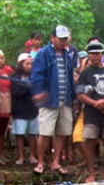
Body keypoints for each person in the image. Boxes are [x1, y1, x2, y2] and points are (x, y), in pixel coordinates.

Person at [30, 24, 77, 175]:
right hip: (49, 100)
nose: (63, 42)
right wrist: (38, 91)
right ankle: (40, 163)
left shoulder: (67, 55)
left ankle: (56, 162)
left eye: (65, 39)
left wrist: (73, 97)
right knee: (44, 133)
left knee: (62, 132)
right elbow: (37, 75)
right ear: (52, 38)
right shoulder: (44, 54)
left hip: (65, 99)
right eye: (60, 38)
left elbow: (70, 77)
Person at [77, 40, 104, 182]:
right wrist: (96, 103)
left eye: (97, 53)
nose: (95, 56)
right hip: (91, 113)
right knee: (90, 142)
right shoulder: (85, 73)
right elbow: (80, 94)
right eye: (92, 54)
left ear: (102, 54)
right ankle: (92, 173)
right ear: (88, 55)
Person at [11, 53, 39, 165]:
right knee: (20, 134)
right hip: (19, 109)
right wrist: (27, 87)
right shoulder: (14, 77)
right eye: (27, 64)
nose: (29, 66)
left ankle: (32, 155)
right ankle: (21, 157)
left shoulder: (35, 76)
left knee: (33, 134)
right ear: (21, 64)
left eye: (31, 64)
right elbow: (16, 92)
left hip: (32, 109)